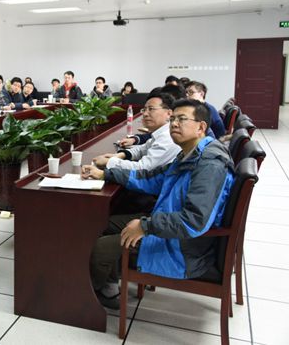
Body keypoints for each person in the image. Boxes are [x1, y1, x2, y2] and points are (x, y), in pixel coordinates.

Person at [83, 99, 234, 309]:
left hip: (184, 248)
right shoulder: (191, 153)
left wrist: (145, 226)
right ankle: (109, 286)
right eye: (173, 119)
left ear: (201, 127)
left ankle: (87, 299)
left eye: (182, 119)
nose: (174, 124)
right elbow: (152, 178)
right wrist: (106, 173)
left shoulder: (209, 165)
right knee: (101, 223)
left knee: (100, 248)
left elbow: (194, 221)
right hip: (169, 226)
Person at [89, 92, 180, 213]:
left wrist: (110, 162)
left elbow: (142, 168)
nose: (145, 114)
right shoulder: (160, 133)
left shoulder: (167, 138)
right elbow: (142, 148)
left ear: (169, 113)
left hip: (154, 200)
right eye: (144, 109)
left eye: (151, 109)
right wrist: (121, 154)